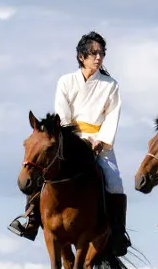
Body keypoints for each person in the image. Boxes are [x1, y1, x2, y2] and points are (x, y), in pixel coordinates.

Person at [8, 31, 131, 256]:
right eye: (93, 53)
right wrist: (76, 138)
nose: (98, 57)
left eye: (101, 53)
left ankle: (117, 233)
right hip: (70, 140)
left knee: (115, 183)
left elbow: (113, 114)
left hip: (98, 141)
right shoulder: (65, 81)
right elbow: (62, 115)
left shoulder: (110, 85)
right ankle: (31, 221)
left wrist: (100, 140)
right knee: (41, 169)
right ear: (81, 57)